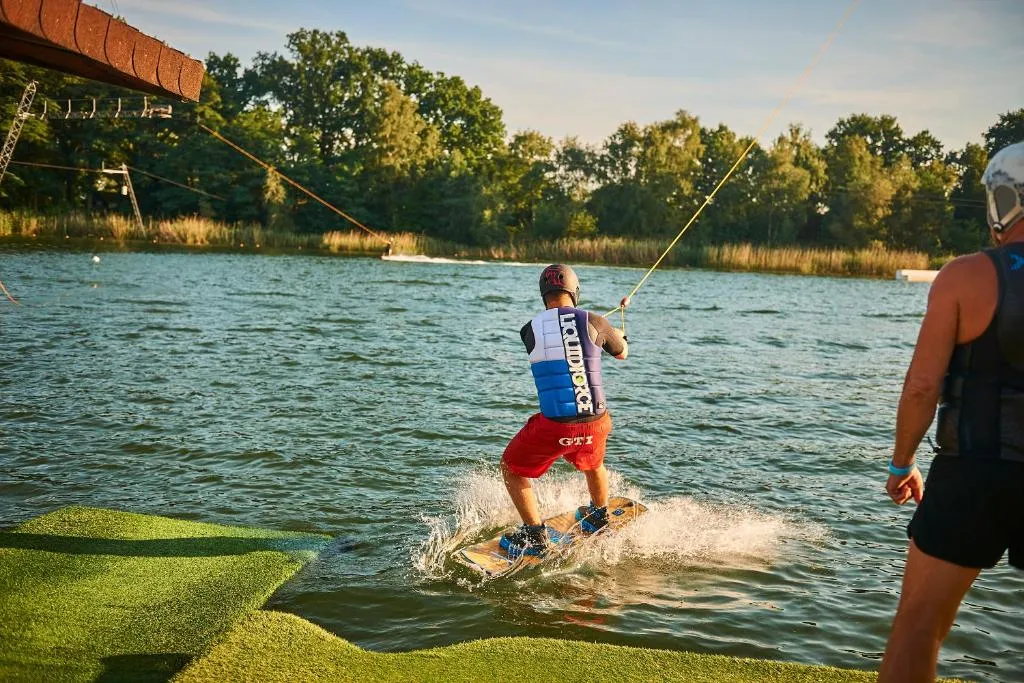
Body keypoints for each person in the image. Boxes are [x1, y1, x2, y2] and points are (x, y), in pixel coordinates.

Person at [880, 141, 1024, 683]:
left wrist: (901, 464)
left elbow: (922, 386)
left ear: (1004, 201)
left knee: (918, 625)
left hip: (974, 473)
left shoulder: (965, 276)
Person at [499, 264, 629, 559]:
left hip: (556, 426)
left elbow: (557, 339)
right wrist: (617, 334)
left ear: (544, 295)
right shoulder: (595, 321)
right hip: (597, 422)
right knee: (595, 464)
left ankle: (534, 536)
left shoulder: (528, 329)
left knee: (511, 468)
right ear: (575, 291)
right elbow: (621, 353)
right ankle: (598, 515)